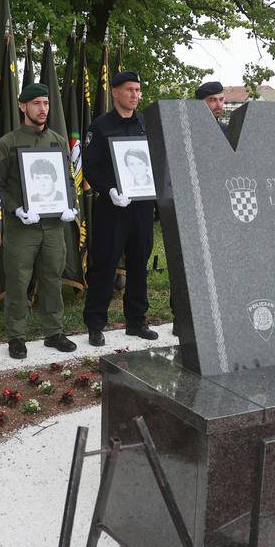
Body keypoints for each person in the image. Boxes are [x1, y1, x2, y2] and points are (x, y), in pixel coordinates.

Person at [0, 83, 78, 358]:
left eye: (46, 103)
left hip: (53, 226)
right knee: (18, 281)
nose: (43, 109)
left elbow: (68, 180)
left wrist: (70, 205)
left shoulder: (58, 141)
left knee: (52, 277)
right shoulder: (8, 143)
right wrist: (15, 209)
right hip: (22, 227)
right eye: (37, 103)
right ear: (23, 106)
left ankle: (54, 332)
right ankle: (16, 336)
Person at [81, 70, 156, 345]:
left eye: (138, 90)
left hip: (142, 207)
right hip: (113, 207)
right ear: (115, 92)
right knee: (104, 265)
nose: (135, 95)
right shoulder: (99, 127)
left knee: (139, 263)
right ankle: (95, 324)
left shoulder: (146, 125)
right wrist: (109, 189)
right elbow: (90, 166)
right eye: (129, 90)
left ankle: (136, 321)